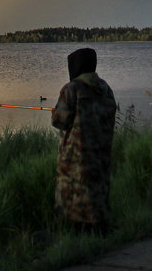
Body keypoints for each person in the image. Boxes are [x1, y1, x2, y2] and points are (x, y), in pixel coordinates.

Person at [51, 47, 117, 234]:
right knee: (98, 190)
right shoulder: (105, 88)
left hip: (75, 158)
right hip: (101, 154)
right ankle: (99, 229)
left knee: (74, 194)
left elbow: (59, 121)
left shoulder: (71, 89)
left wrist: (54, 113)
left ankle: (78, 233)